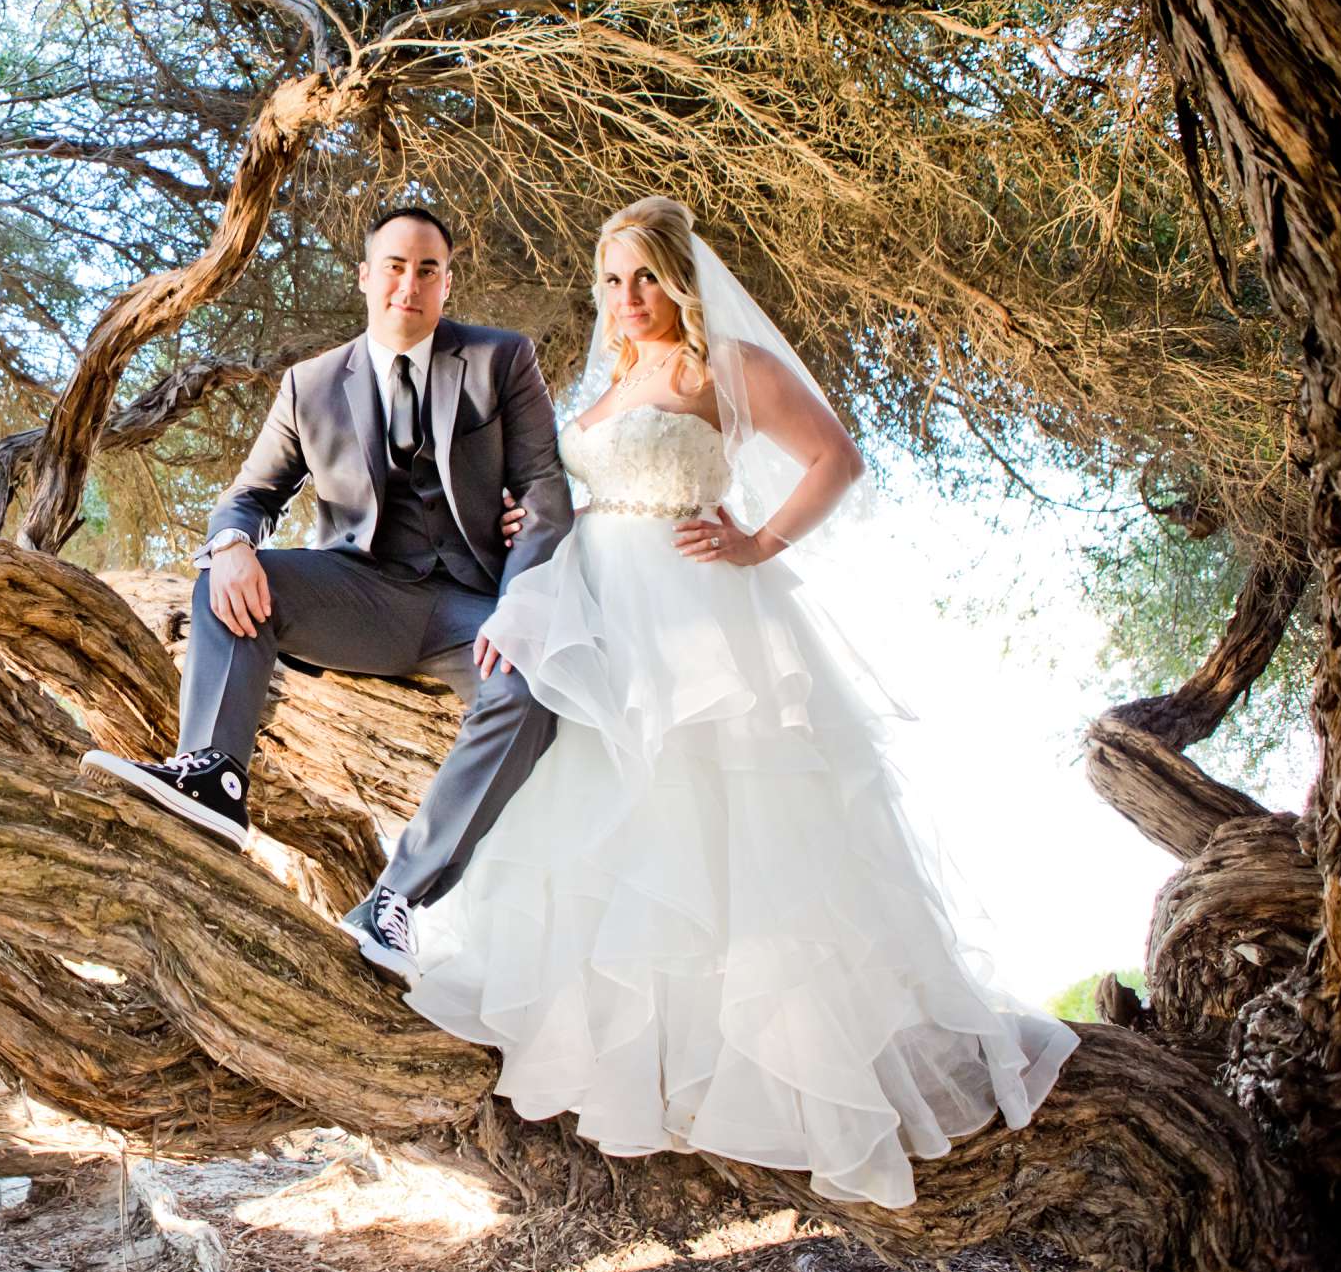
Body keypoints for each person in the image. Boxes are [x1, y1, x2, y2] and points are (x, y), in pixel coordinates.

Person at [403, 195, 1078, 1208]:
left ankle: (768, 1079)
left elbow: (835, 459)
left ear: (680, 277)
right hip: (604, 615)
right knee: (604, 830)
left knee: (720, 838)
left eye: (645, 279)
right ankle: (646, 1080)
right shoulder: (613, 377)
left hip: (696, 618)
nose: (628, 300)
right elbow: (598, 493)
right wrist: (546, 515)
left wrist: (759, 543)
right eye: (613, 281)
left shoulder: (726, 369)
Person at [81, 205, 574, 977]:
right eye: (394, 266)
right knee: (229, 574)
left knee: (533, 687)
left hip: (470, 607)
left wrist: (519, 609)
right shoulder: (310, 385)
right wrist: (235, 541)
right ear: (365, 276)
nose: (408, 283)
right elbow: (248, 496)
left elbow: (544, 490)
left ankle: (396, 901)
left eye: (427, 270)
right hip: (362, 596)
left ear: (447, 282)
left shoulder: (501, 360)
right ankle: (212, 777)